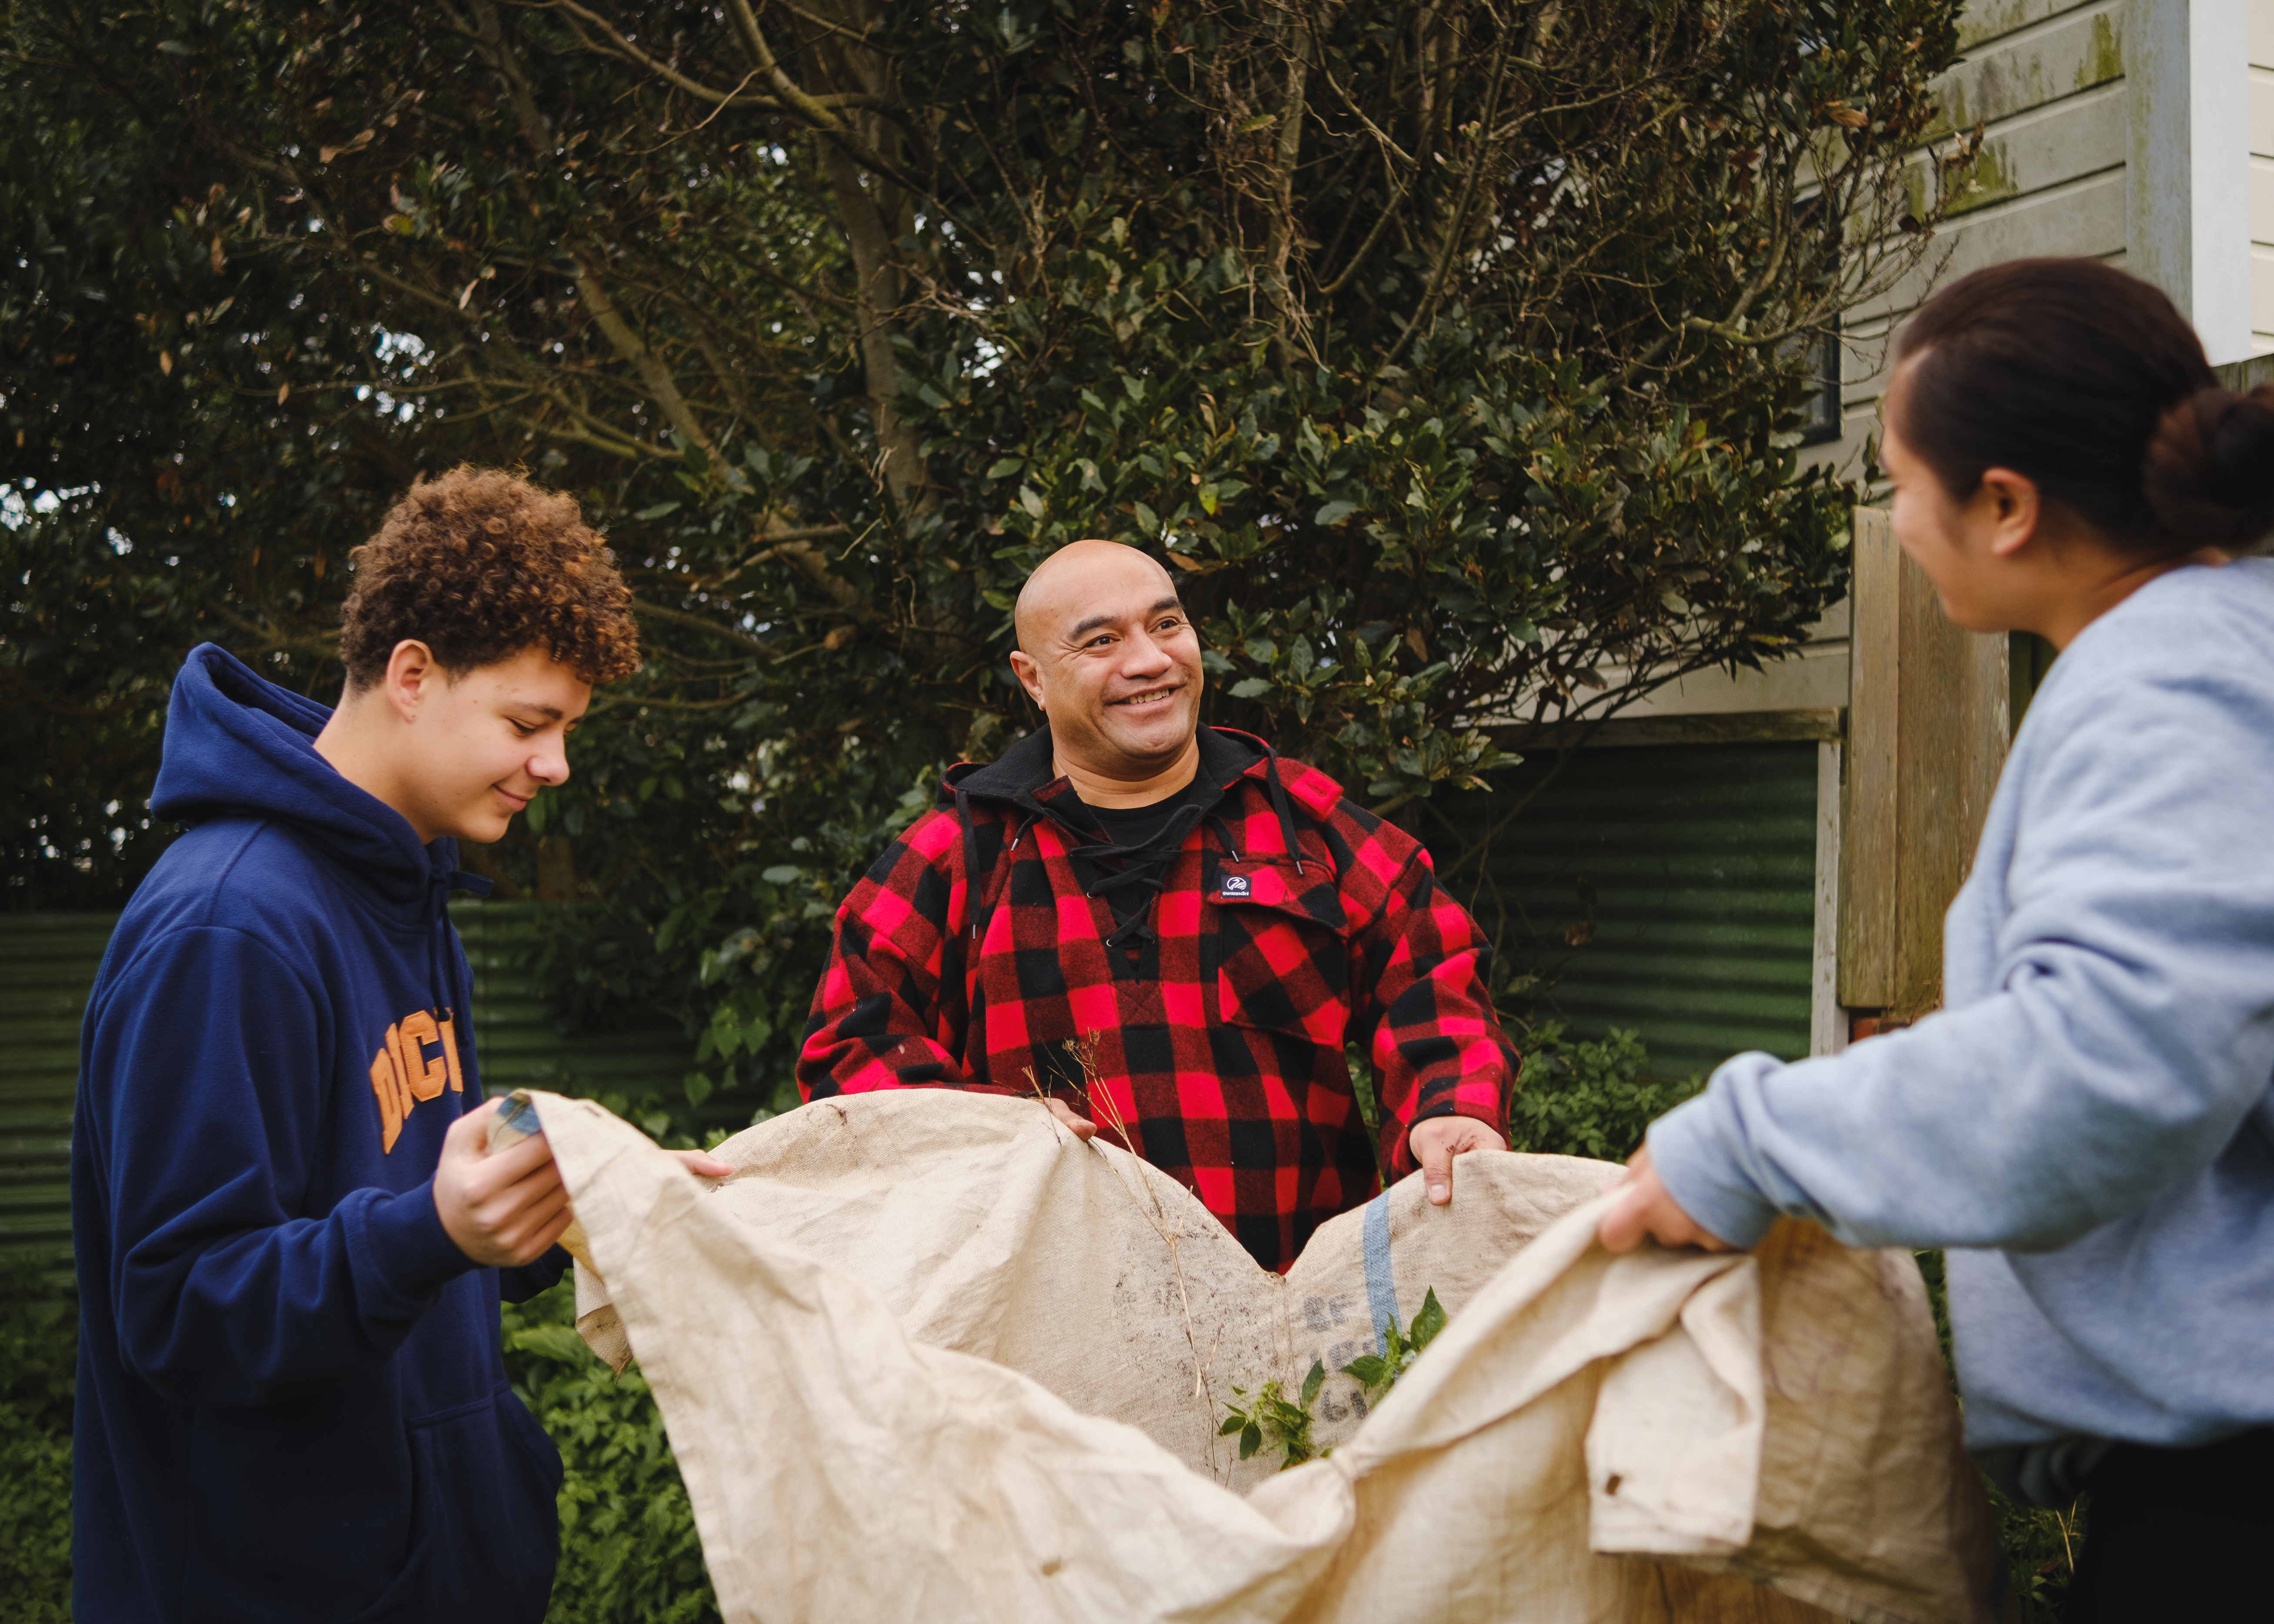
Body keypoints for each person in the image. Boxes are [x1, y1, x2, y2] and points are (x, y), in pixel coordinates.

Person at [1597, 260, 2274, 1619]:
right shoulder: (2203, 650)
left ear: (2005, 506)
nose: (1894, 521)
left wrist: (1740, 1141)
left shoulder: (2170, 684)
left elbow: (2107, 1063)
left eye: (1898, 480)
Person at [70, 467, 728, 1624]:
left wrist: (578, 1203)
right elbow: (178, 1308)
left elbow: (396, 1206)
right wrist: (433, 1229)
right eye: (530, 724)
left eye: (565, 731)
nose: (555, 766)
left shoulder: (407, 886)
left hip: (431, 1574)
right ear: (414, 676)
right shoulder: (228, 926)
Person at [799, 540, 1515, 1273]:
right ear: (1033, 679)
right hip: (1050, 1330)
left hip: (1299, 1310)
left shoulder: (1307, 829)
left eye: (1166, 625)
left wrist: (1450, 1107)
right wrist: (986, 1126)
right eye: (1101, 640)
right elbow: (850, 1054)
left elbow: (1431, 979)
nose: (1149, 661)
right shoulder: (958, 857)